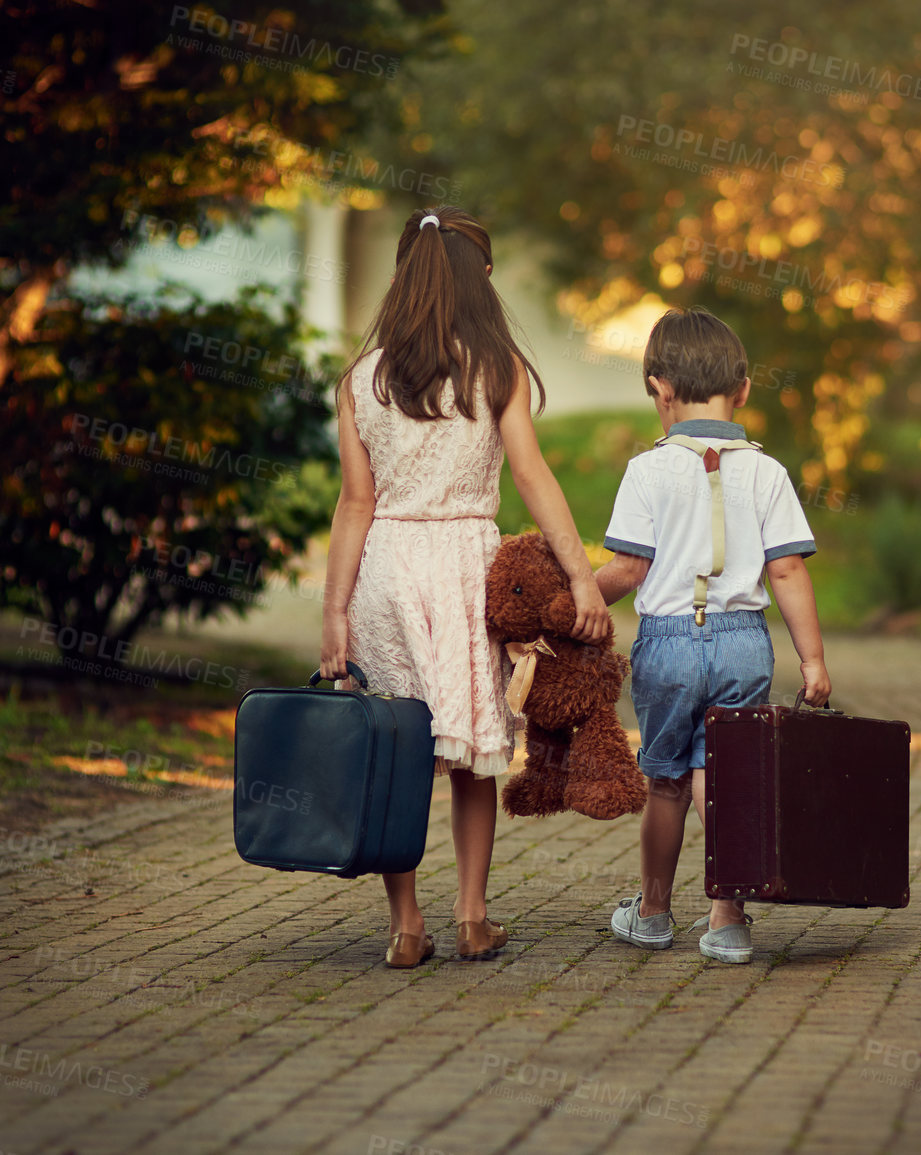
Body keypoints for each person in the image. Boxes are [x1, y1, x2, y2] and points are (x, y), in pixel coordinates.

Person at [319, 205, 610, 968]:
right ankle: (473, 917)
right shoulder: (496, 367)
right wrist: (580, 573)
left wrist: (334, 613)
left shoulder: (362, 377)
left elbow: (355, 503)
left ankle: (406, 924)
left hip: (386, 569)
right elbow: (531, 475)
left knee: (400, 751)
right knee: (474, 752)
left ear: (400, 277)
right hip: (462, 570)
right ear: (479, 279)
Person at [593, 307, 831, 964]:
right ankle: (727, 919)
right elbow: (785, 569)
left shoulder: (647, 470)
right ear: (744, 388)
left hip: (668, 641)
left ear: (660, 391)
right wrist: (811, 660)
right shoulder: (767, 471)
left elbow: (627, 568)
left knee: (667, 780)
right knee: (725, 775)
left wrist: (570, 603)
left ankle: (652, 911)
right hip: (742, 642)